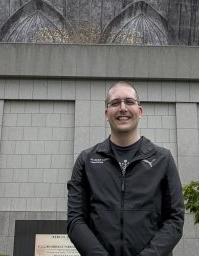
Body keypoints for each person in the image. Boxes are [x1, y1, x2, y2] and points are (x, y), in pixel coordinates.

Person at [67, 82, 184, 256]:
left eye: (129, 101)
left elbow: (175, 219)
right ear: (107, 114)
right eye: (115, 103)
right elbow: (75, 220)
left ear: (140, 111)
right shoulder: (87, 160)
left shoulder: (162, 159)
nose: (122, 108)